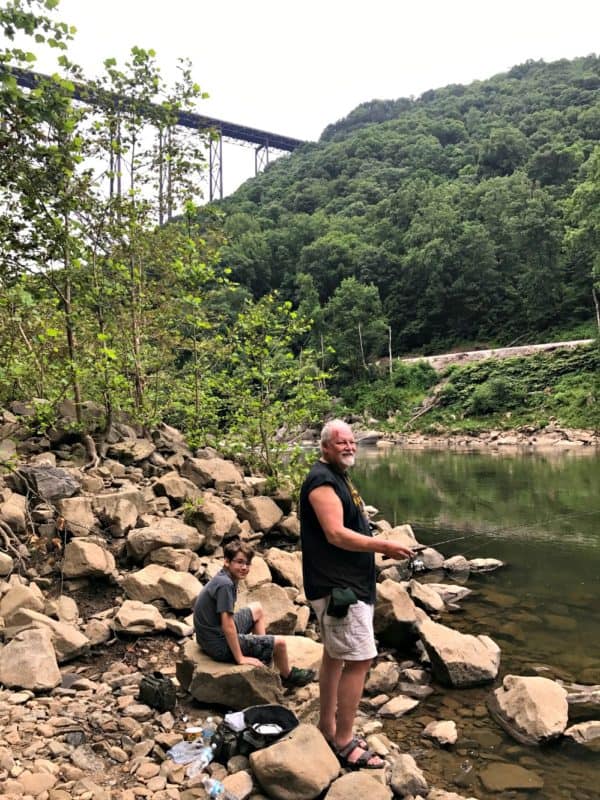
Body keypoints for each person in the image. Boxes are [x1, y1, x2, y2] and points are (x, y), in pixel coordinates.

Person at [300, 419, 413, 769]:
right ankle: (345, 741)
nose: (349, 447)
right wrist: (383, 545)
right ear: (325, 447)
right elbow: (335, 533)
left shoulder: (339, 476)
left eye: (351, 441)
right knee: (360, 659)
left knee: (335, 655)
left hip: (347, 584)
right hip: (339, 590)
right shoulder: (321, 481)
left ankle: (327, 726)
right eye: (341, 443)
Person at [193, 539, 315, 688]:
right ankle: (287, 676)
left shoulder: (225, 577)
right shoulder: (225, 585)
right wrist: (240, 658)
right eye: (239, 562)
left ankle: (263, 654)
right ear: (226, 561)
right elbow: (228, 625)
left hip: (209, 635)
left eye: (247, 563)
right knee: (280, 644)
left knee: (257, 609)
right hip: (217, 644)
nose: (244, 567)